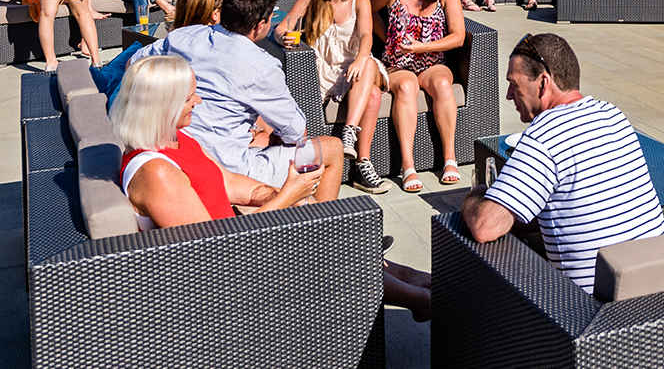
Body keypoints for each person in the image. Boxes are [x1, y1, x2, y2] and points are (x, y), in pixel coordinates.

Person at [111, 55, 432, 321]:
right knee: (342, 253)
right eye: (189, 97)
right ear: (163, 105)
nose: (199, 100)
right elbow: (213, 251)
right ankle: (423, 299)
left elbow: (227, 183)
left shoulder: (176, 140)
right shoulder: (156, 173)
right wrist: (287, 199)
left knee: (346, 245)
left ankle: (421, 286)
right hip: (230, 279)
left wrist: (277, 195)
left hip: (244, 241)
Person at [460, 33, 664, 290]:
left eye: (514, 84)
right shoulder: (613, 114)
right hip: (660, 287)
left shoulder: (543, 136)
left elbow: (485, 226)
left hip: (590, 311)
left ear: (543, 83)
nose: (509, 95)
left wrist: (474, 196)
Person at [129, 0, 345, 202]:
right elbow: (296, 133)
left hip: (179, 151)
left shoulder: (184, 36)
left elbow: (134, 64)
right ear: (260, 25)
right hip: (228, 168)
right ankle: (323, 223)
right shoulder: (262, 65)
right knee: (332, 149)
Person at [276, 0, 389, 193]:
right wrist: (283, 36)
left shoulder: (360, 1)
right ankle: (362, 165)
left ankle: (349, 133)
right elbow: (284, 25)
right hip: (323, 67)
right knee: (373, 96)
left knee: (368, 65)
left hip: (354, 65)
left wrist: (359, 59)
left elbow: (367, 35)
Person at [369, 0, 467, 193]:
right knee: (407, 85)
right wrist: (386, 37)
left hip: (432, 61)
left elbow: (458, 37)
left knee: (443, 84)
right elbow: (367, 7)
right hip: (398, 63)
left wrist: (421, 48)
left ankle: (449, 158)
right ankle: (408, 165)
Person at [96, 0, 225, 108]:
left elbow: (130, 65)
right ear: (215, 14)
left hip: (145, 112)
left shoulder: (168, 43)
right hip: (182, 116)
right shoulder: (225, 48)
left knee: (131, 56)